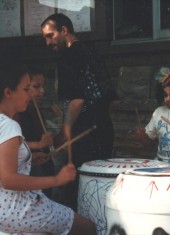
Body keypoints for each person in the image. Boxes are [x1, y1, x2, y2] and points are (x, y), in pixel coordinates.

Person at [0, 62, 96, 235]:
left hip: (5, 211)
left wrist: (28, 156)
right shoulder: (9, 126)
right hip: (16, 210)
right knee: (87, 228)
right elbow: (9, 180)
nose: (30, 94)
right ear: (8, 92)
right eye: (26, 89)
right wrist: (57, 180)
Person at [41, 13, 119, 211]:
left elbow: (77, 100)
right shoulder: (91, 52)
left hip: (83, 136)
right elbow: (109, 97)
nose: (47, 42)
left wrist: (64, 133)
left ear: (64, 30)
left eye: (50, 35)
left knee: (78, 192)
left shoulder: (68, 56)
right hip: (103, 129)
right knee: (98, 188)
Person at [14, 67, 54, 198]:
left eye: (42, 87)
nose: (42, 91)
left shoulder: (34, 109)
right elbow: (11, 144)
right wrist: (37, 145)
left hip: (37, 165)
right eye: (36, 87)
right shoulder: (15, 113)